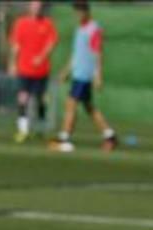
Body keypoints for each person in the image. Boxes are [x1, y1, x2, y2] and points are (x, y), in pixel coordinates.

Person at [53, 1, 116, 152]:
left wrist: (98, 74)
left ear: (87, 11)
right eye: (76, 11)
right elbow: (76, 54)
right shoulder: (79, 29)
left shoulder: (93, 29)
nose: (78, 14)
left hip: (84, 74)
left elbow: (97, 52)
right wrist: (66, 71)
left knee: (71, 103)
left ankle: (64, 137)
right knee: (89, 107)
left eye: (81, 10)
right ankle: (109, 135)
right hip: (77, 72)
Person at [8, 1, 57, 143]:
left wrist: (42, 57)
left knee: (40, 99)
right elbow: (16, 45)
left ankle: (40, 129)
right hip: (24, 69)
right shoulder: (21, 23)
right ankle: (23, 130)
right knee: (23, 97)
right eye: (34, 5)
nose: (37, 8)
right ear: (29, 6)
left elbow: (52, 42)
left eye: (39, 5)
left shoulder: (47, 23)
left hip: (41, 70)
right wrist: (12, 63)